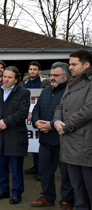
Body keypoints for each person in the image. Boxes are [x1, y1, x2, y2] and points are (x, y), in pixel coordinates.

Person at [30, 62, 74, 209]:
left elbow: (71, 116)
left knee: (66, 175)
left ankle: (67, 201)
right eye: (51, 75)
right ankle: (47, 197)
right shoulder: (46, 91)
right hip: (45, 140)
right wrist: (37, 123)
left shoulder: (71, 92)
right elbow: (36, 110)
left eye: (56, 75)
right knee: (44, 171)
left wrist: (51, 125)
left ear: (66, 77)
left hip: (63, 141)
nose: (52, 78)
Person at [53, 50, 92, 210]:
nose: (70, 68)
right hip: (69, 143)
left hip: (85, 143)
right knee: (77, 187)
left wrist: (66, 126)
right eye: (69, 64)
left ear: (87, 64)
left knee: (88, 186)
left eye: (74, 64)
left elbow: (88, 109)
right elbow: (61, 105)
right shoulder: (73, 82)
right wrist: (56, 122)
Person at [0, 66, 30, 204]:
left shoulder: (23, 93)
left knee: (16, 168)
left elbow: (22, 112)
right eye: (4, 76)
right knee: (0, 166)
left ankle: (17, 193)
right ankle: (3, 190)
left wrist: (5, 122)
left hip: (15, 135)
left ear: (16, 79)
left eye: (10, 77)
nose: (6, 79)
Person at [20, 61, 50, 180]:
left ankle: (40, 169)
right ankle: (35, 166)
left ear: (39, 71)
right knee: (32, 143)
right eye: (31, 69)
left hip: (40, 115)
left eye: (35, 69)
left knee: (39, 144)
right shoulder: (25, 82)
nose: (32, 71)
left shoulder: (45, 83)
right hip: (27, 115)